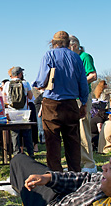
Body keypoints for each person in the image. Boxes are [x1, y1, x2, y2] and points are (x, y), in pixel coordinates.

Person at [33, 31, 89, 172]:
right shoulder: (76, 58)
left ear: (53, 43)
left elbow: (41, 80)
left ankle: (56, 176)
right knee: (73, 142)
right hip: (71, 104)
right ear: (68, 43)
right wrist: (83, 104)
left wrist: (37, 84)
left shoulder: (49, 55)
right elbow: (83, 83)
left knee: (52, 142)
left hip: (52, 103)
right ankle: (75, 174)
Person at [69, 36, 98, 173]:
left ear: (74, 45)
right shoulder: (72, 59)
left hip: (82, 96)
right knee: (75, 130)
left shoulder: (85, 56)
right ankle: (78, 161)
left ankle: (89, 164)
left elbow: (93, 75)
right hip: (73, 96)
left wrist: (77, 84)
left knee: (83, 129)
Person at [4, 66, 34, 157]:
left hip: (12, 113)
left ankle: (17, 155)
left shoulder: (7, 84)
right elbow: (31, 97)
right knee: (27, 135)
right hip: (24, 113)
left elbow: (4, 99)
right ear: (20, 74)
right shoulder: (25, 83)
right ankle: (31, 155)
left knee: (15, 135)